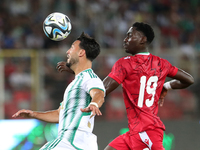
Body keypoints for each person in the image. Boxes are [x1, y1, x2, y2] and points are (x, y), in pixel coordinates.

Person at [56, 22, 194, 150]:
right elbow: (189, 79)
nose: (125, 39)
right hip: (134, 133)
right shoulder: (162, 63)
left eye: (130, 35)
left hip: (148, 130)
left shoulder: (125, 64)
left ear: (143, 39)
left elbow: (102, 89)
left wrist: (78, 71)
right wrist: (166, 86)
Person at [12, 32, 105, 150]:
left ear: (81, 52)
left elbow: (98, 93)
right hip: (79, 144)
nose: (67, 52)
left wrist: (94, 103)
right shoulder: (76, 82)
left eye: (71, 47)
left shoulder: (89, 77)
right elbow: (59, 114)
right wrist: (33, 114)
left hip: (71, 141)